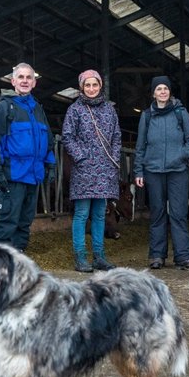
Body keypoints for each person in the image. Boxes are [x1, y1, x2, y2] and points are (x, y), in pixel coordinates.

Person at [0, 62, 56, 252]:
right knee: (8, 222)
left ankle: (18, 262)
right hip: (12, 177)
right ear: (13, 81)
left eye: (29, 78)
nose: (25, 81)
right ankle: (0, 267)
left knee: (25, 223)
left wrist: (51, 167)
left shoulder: (37, 110)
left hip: (33, 177)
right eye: (21, 77)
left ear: (34, 83)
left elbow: (48, 141)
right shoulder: (4, 107)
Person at [133, 75, 189, 271]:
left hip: (177, 171)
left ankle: (183, 256)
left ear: (170, 92)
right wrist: (138, 170)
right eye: (159, 89)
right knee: (157, 213)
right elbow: (140, 146)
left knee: (179, 213)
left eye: (166, 88)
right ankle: (156, 255)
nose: (162, 92)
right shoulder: (146, 116)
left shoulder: (181, 113)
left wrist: (181, 156)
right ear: (153, 93)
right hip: (153, 170)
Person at [62, 69, 120, 272]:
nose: (91, 88)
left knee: (99, 214)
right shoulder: (75, 110)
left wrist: (114, 159)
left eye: (95, 85)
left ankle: (99, 256)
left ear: (100, 86)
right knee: (81, 213)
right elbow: (67, 136)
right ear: (81, 87)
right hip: (83, 169)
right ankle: (80, 257)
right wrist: (81, 157)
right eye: (87, 85)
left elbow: (116, 136)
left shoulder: (109, 110)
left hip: (105, 168)